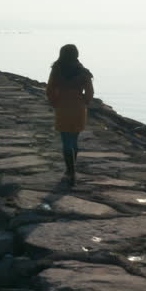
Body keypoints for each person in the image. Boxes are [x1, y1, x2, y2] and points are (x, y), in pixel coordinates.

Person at [45, 44, 94, 185]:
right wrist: (84, 102)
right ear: (76, 54)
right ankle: (71, 170)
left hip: (62, 106)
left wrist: (55, 102)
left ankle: (70, 171)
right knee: (74, 139)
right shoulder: (83, 72)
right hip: (78, 107)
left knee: (66, 140)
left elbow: (49, 90)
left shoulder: (57, 69)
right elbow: (89, 93)